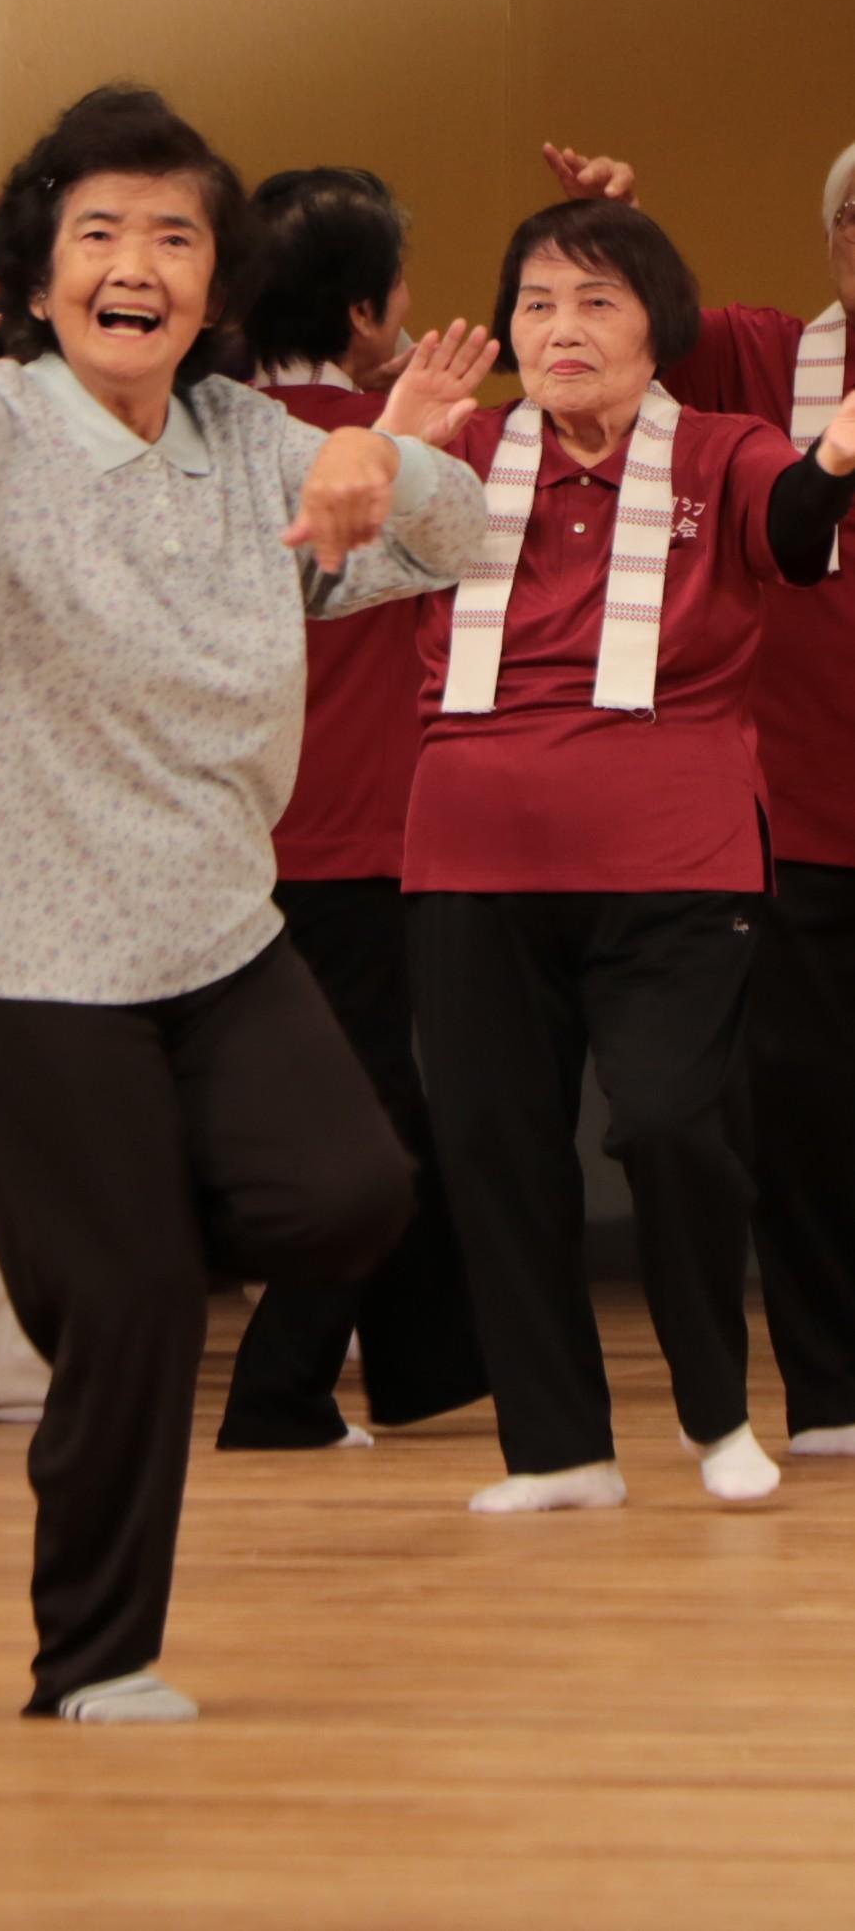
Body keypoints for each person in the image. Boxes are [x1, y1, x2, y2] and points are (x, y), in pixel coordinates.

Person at [0, 83, 488, 1723]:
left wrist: (377, 447)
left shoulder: (252, 441)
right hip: (17, 937)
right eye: (99, 234)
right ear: (38, 268)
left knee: (352, 1194)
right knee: (132, 1310)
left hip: (209, 922)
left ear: (215, 285)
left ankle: (89, 1248)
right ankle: (94, 1657)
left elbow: (450, 537)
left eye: (173, 237)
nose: (134, 265)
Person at [406, 196, 855, 1516]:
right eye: (536, 302)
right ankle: (557, 1450)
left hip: (675, 854)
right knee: (493, 1146)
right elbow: (330, 565)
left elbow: (790, 530)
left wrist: (833, 460)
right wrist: (383, 450)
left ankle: (714, 1409)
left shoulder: (720, 445)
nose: (561, 328)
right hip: (469, 850)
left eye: (595, 301)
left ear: (660, 327)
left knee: (668, 1126)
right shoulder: (459, 448)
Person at [216, 167, 491, 1451]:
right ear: (365, 311)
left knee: (369, 1097)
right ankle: (277, 1387)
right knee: (371, 1110)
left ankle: (427, 1362)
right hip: (355, 826)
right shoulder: (390, 448)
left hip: (226, 830)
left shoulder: (203, 434)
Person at [629, 138, 855, 1457]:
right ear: (830, 237)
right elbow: (639, 346)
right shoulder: (767, 356)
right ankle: (831, 1390)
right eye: (853, 216)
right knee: (806, 1110)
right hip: (800, 807)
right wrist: (613, 234)